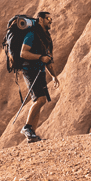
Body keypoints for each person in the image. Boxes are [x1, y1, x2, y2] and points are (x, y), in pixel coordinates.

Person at [18, 11, 55, 143]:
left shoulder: (45, 37)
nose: (50, 21)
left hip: (40, 71)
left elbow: (47, 58)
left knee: (41, 100)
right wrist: (40, 57)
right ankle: (27, 127)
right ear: (40, 19)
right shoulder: (32, 34)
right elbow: (23, 53)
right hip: (30, 70)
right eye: (48, 18)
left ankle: (32, 135)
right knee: (39, 99)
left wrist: (54, 76)